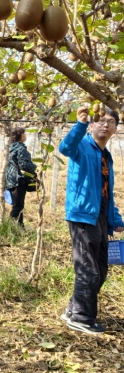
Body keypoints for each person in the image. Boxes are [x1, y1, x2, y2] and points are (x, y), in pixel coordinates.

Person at [59, 105, 124, 335]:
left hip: (100, 217)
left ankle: (73, 309)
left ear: (116, 128)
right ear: (93, 124)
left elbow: (106, 190)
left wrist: (115, 218)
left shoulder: (106, 155)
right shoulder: (82, 145)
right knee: (88, 269)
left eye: (111, 122)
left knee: (101, 269)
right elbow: (65, 147)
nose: (105, 124)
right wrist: (80, 123)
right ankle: (81, 317)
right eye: (101, 120)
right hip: (82, 215)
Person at [5, 127, 37, 226]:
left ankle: (19, 227)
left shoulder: (10, 148)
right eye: (24, 134)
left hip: (10, 179)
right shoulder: (21, 148)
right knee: (18, 206)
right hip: (18, 179)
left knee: (17, 204)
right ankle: (11, 226)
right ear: (20, 136)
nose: (26, 135)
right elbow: (24, 165)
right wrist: (35, 168)